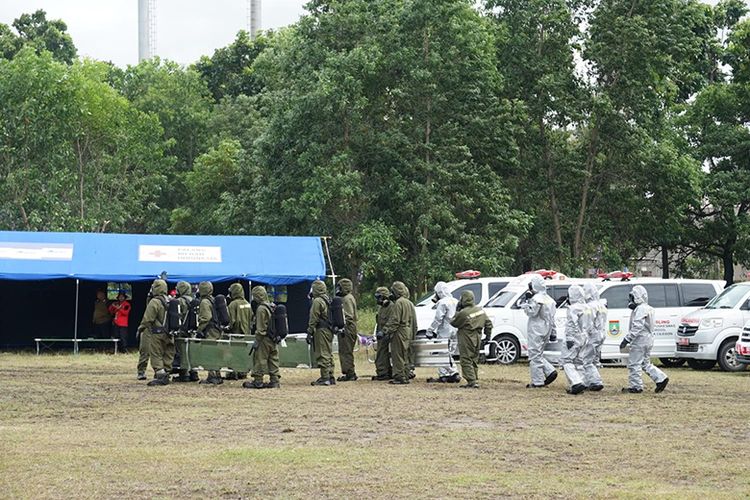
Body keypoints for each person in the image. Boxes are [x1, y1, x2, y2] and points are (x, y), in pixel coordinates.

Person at [620, 285, 669, 394]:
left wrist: (627, 339)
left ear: (637, 297)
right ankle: (661, 378)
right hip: (648, 339)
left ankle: (636, 386)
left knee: (634, 363)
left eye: (632, 297)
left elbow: (637, 326)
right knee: (645, 363)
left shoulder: (640, 309)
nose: (630, 300)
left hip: (640, 340)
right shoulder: (648, 308)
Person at [521, 275, 558, 389]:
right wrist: (553, 332)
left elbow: (532, 312)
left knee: (534, 355)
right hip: (546, 329)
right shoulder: (550, 300)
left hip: (536, 329)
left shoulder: (537, 299)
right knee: (538, 354)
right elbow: (552, 318)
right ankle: (549, 371)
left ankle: (538, 382)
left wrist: (527, 302)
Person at [450, 290, 493, 389]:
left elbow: (453, 322)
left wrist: (457, 311)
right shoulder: (480, 310)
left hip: (466, 337)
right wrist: (487, 336)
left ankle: (472, 381)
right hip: (477, 337)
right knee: (473, 359)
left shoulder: (464, 313)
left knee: (466, 359)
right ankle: (474, 379)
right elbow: (489, 324)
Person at [243, 286, 281, 389]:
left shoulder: (261, 309)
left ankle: (258, 381)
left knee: (260, 359)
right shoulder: (271, 306)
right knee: (273, 359)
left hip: (264, 339)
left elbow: (261, 328)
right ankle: (275, 380)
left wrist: (257, 340)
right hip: (273, 338)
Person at [136, 279, 171, 386]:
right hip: (169, 332)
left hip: (156, 332)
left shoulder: (155, 302)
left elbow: (148, 318)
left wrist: (140, 328)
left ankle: (160, 374)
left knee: (155, 353)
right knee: (166, 353)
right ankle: (166, 372)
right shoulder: (170, 300)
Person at [425, 282, 460, 384]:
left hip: (445, 330)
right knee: (449, 353)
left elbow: (438, 318)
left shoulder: (443, 302)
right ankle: (444, 375)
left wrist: (430, 330)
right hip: (455, 329)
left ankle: (454, 372)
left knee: (442, 353)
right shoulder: (455, 301)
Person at [560, 284, 589, 395]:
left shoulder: (573, 308)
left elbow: (571, 324)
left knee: (567, 361)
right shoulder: (587, 307)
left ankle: (576, 383)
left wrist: (569, 338)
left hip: (575, 336)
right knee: (579, 361)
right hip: (584, 337)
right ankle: (581, 382)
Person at [384, 281, 415, 385]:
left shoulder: (399, 303)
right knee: (405, 354)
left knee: (397, 354)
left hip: (399, 331)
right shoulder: (408, 302)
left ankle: (399, 376)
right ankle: (405, 375)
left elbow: (395, 320)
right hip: (407, 330)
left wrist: (386, 330)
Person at [308, 280, 335, 386]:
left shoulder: (318, 301)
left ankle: (325, 377)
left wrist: (310, 330)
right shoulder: (327, 299)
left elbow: (314, 317)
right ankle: (330, 375)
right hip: (329, 329)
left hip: (321, 330)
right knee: (328, 353)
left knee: (322, 353)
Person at [172, 281, 199, 383]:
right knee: (192, 352)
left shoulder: (179, 301)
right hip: (192, 331)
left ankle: (184, 374)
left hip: (182, 331)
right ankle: (194, 372)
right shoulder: (194, 300)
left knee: (182, 352)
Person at [197, 281, 223, 385]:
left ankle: (212, 376)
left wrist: (200, 329)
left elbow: (206, 317)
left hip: (210, 331)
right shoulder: (213, 300)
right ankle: (217, 375)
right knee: (216, 352)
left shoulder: (204, 302)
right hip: (217, 329)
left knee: (210, 352)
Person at [226, 282, 252, 380]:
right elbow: (252, 318)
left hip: (236, 333)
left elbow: (231, 321)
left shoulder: (233, 304)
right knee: (244, 353)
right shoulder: (247, 303)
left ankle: (233, 373)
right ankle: (243, 372)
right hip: (246, 333)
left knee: (233, 353)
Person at [582, 283, 605, 391]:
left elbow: (587, 323)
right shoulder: (601, 305)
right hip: (601, 334)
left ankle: (596, 381)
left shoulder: (590, 306)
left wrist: (584, 335)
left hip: (593, 335)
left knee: (586, 360)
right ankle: (588, 381)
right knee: (594, 360)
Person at [336, 278, 359, 382]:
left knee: (346, 350)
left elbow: (348, 316)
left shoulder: (347, 299)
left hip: (348, 328)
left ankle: (350, 373)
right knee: (346, 350)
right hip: (350, 327)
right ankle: (349, 372)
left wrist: (342, 327)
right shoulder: (349, 297)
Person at [372, 287, 393, 381]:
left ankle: (384, 372)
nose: (377, 299)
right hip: (381, 333)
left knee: (384, 354)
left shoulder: (391, 307)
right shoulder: (381, 308)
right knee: (381, 354)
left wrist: (384, 331)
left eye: (378, 297)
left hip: (386, 333)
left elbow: (392, 320)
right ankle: (383, 372)